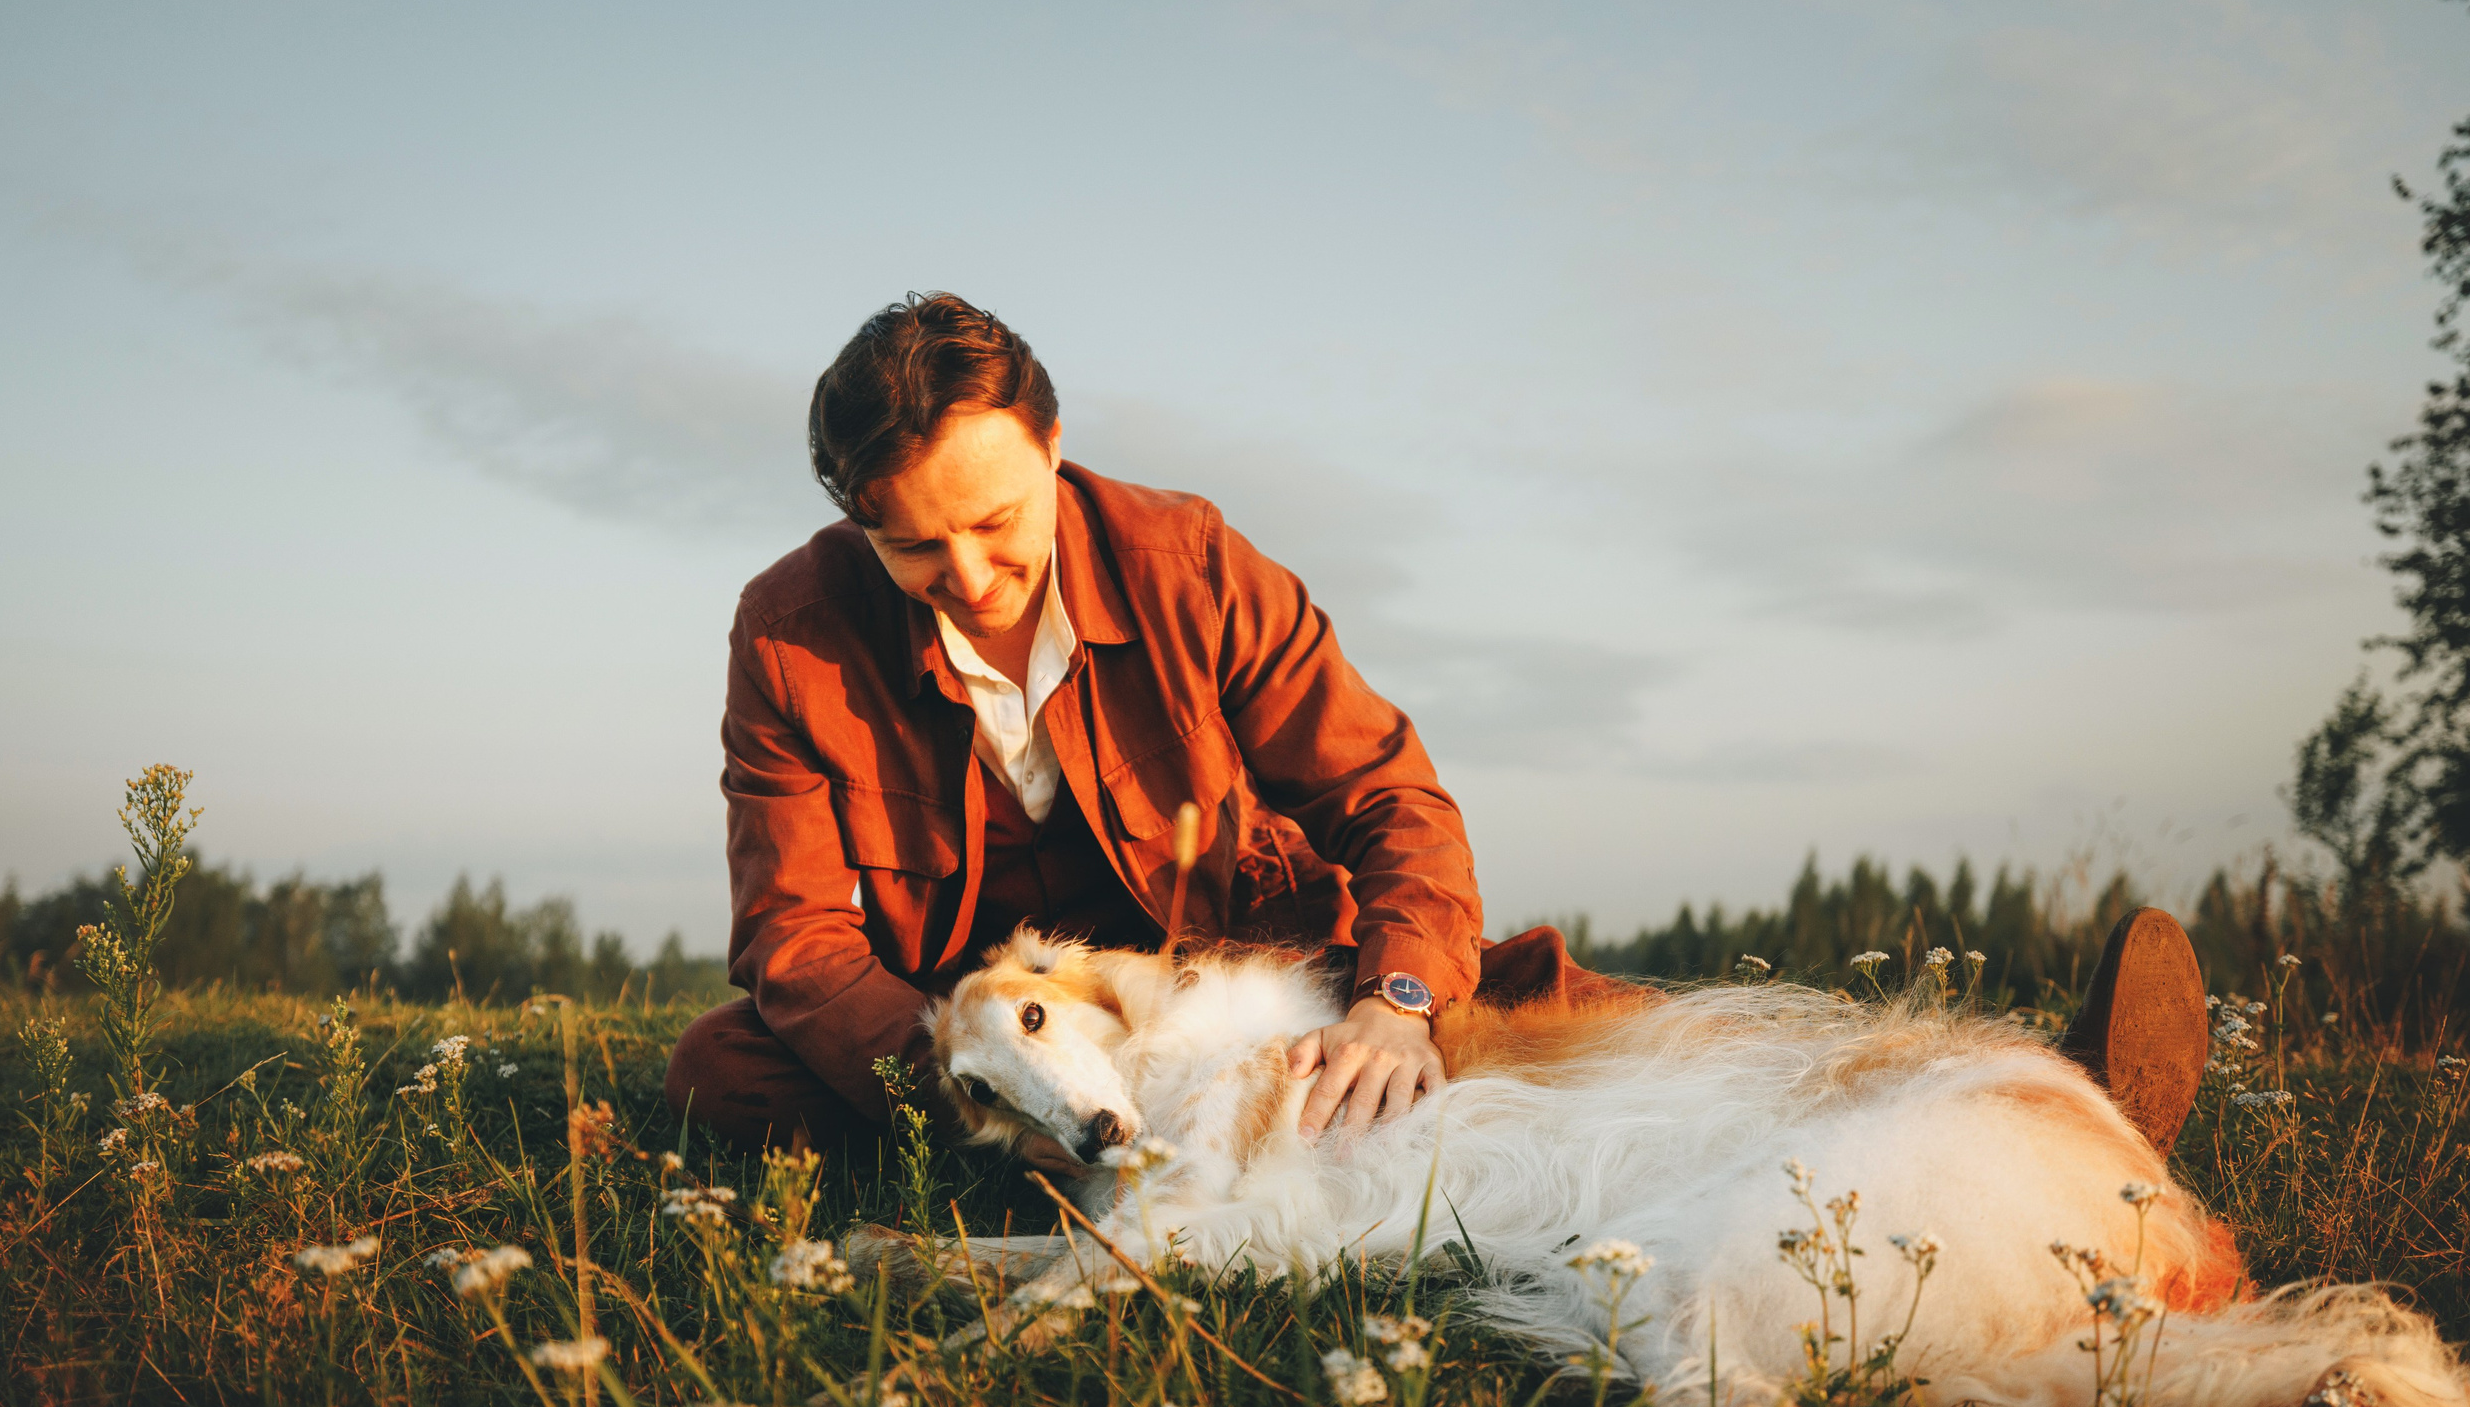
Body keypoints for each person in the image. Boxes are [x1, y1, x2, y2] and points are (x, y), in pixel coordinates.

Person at [664, 293, 2211, 1171]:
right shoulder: (788, 630)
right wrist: (972, 1086)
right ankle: (1054, 1174)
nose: (976, 575)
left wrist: (1398, 1000)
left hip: (1248, 986)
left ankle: (2032, 1091)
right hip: (997, 1035)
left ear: (1057, 450)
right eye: (918, 551)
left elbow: (1387, 795)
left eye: (999, 524)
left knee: (1522, 1030)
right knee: (727, 1072)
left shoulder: (1188, 555)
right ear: (857, 527)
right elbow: (795, 939)